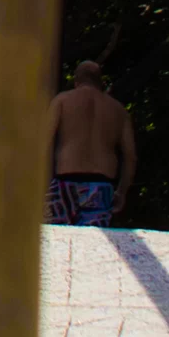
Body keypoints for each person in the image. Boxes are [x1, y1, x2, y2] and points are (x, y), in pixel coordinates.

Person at [47, 59, 137, 226]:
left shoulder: (61, 101)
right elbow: (130, 157)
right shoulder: (119, 110)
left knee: (57, 243)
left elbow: (43, 143)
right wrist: (122, 191)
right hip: (101, 186)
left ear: (76, 81)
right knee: (92, 244)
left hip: (64, 182)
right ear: (100, 82)